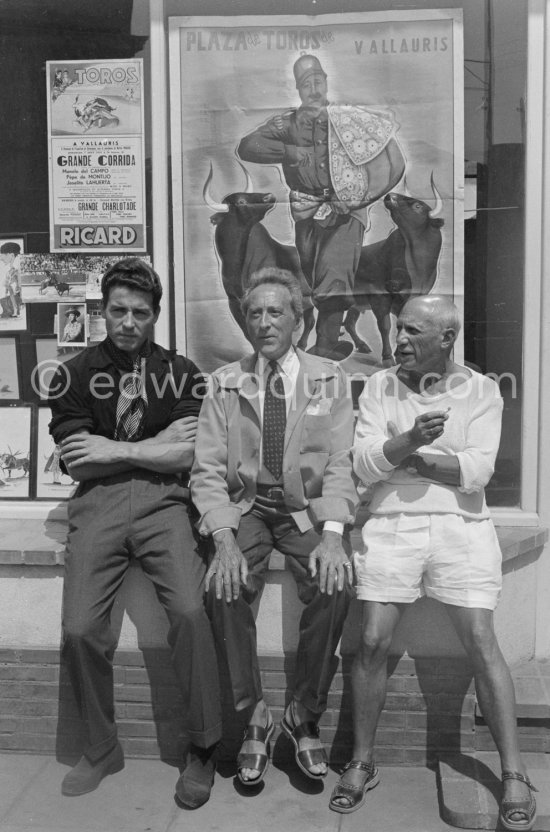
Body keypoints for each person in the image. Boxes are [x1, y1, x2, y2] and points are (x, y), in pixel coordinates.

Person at [329, 295, 537, 832]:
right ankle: (361, 760)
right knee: (372, 639)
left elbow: (477, 471)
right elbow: (364, 465)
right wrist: (412, 443)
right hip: (391, 522)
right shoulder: (379, 385)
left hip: (461, 524)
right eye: (399, 329)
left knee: (481, 640)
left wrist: (405, 457)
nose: (398, 341)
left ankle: (513, 772)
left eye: (413, 332)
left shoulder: (483, 389)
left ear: (447, 337)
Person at [48, 257, 222, 807]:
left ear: (156, 316)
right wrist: (154, 448)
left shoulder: (183, 373)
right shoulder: (72, 375)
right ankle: (100, 747)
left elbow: (189, 452)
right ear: (103, 311)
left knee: (193, 613)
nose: (128, 321)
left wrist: (116, 449)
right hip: (96, 506)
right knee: (78, 629)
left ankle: (202, 747)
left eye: (140, 313)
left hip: (165, 503)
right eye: (118, 310)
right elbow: (78, 463)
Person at [191, 267, 358, 789]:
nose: (263, 323)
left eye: (275, 312)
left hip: (305, 511)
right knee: (223, 587)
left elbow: (340, 464)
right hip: (246, 510)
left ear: (299, 319)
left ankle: (303, 714)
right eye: (254, 313)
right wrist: (221, 539)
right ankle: (255, 714)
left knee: (337, 582)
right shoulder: (223, 383)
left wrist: (332, 535)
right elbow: (208, 469)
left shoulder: (330, 378)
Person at [238, 54, 405, 360]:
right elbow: (248, 147)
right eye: (305, 84)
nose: (313, 89)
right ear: (298, 89)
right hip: (306, 212)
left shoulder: (350, 119)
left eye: (318, 81)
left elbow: (396, 162)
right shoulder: (287, 124)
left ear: (326, 81)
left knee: (333, 279)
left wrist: (361, 198)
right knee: (314, 281)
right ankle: (327, 344)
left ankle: (325, 352)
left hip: (346, 213)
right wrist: (292, 151)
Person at [0, 241, 22, 317]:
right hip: (12, 289)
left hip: (14, 289)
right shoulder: (12, 267)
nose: (1, 258)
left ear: (11, 255)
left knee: (13, 297)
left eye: (2, 256)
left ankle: (15, 311)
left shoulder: (17, 267)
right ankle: (14, 311)